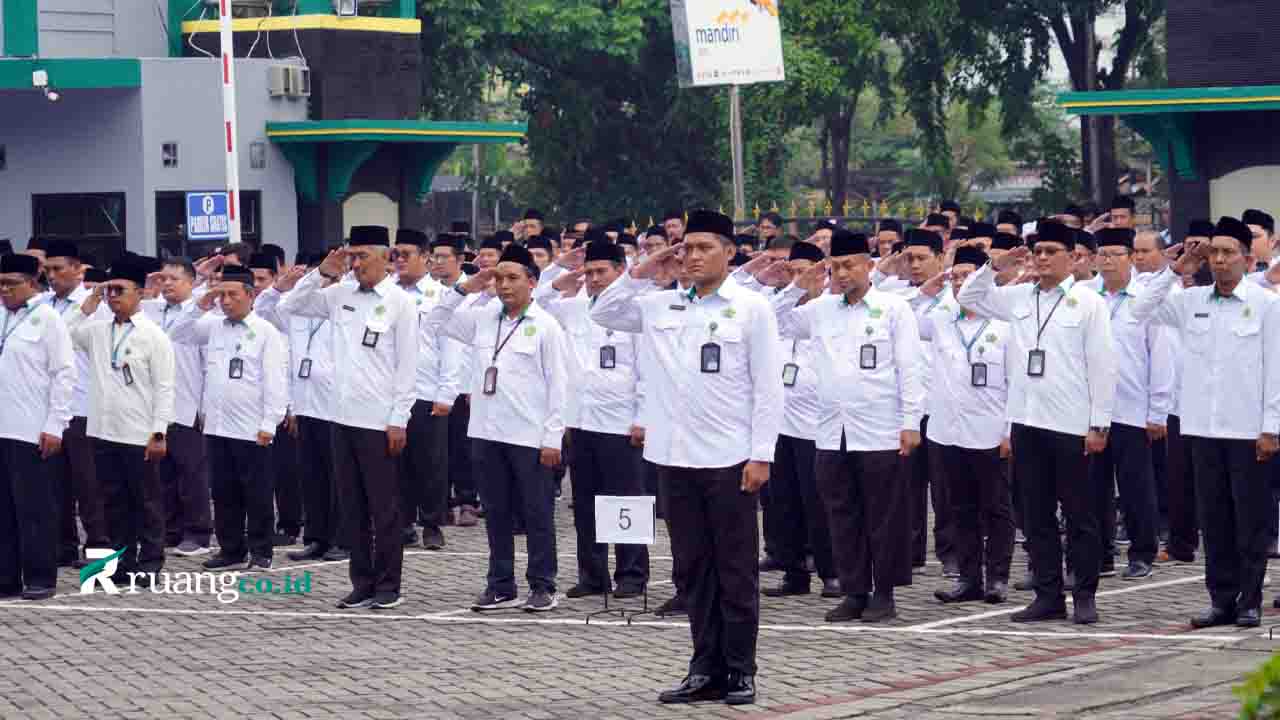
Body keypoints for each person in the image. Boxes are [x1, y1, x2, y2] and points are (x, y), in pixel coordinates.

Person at [592, 210, 782, 706]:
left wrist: (761, 455)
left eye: (704, 248)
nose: (692, 256)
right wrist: (646, 263)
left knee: (735, 569)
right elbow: (603, 311)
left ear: (730, 252)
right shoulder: (659, 306)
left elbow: (767, 389)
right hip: (673, 457)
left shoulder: (751, 308)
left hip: (730, 457)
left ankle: (740, 669)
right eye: (686, 248)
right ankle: (704, 668)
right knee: (691, 569)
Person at [957, 220, 1116, 625]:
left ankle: (1083, 593)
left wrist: (1099, 424)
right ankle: (1048, 594)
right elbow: (969, 295)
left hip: (1072, 423)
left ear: (1071, 257)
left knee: (1080, 514)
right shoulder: (1018, 298)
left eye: (1051, 251)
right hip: (1027, 421)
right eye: (1037, 251)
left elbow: (1102, 366)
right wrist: (995, 265)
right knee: (1036, 514)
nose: (1042, 258)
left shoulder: (1088, 302)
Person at [1129, 217, 1280, 629]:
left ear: (1248, 260)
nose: (1218, 259)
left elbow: (1275, 372)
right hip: (1202, 429)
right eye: (1213, 252)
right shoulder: (1189, 301)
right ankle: (1221, 599)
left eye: (1227, 252)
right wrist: (1177, 271)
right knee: (1213, 521)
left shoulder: (1267, 304)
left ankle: (1249, 600)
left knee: (1249, 521)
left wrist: (1271, 428)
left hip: (1248, 431)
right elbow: (1138, 309)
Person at [773, 229, 922, 624]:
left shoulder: (892, 309)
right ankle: (854, 590)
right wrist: (795, 287)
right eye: (835, 266)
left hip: (879, 428)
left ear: (869, 266)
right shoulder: (821, 308)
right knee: (842, 515)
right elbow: (774, 322)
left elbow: (910, 368)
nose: (841, 273)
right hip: (831, 430)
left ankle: (884, 593)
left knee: (883, 516)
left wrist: (910, 422)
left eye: (849, 265)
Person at [428, 244, 569, 613]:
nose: (504, 285)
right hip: (486, 432)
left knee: (537, 514)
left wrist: (552, 438)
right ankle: (501, 584)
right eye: (499, 278)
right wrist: (465, 288)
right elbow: (434, 321)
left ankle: (542, 584)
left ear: (532, 282)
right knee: (497, 513)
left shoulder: (546, 326)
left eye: (512, 278)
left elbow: (559, 386)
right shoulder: (484, 316)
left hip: (529, 435)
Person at [283, 226, 417, 610]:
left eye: (363, 257)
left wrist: (399, 419)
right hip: (340, 418)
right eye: (352, 257)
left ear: (385, 258)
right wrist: (322, 273)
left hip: (379, 421)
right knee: (352, 506)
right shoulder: (338, 294)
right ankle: (362, 582)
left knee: (384, 508)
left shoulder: (399, 302)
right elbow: (288, 307)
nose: (356, 265)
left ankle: (389, 584)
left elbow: (407, 366)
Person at [539, 239, 649, 599]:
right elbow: (537, 303)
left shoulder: (634, 312)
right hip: (581, 420)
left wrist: (642, 417)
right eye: (589, 272)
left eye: (602, 271)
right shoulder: (574, 308)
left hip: (620, 421)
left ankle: (631, 573)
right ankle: (592, 573)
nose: (595, 278)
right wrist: (559, 275)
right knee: (585, 502)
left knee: (626, 500)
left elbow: (647, 370)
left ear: (621, 271)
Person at [165, 265, 289, 571]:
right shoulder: (214, 326)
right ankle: (231, 549)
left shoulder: (266, 333)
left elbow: (276, 381)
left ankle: (261, 550)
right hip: (218, 425)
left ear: (250, 295)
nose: (226, 301)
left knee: (257, 493)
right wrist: (201, 303)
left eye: (233, 295)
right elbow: (177, 333)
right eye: (222, 295)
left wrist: (269, 423)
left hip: (252, 427)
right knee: (223, 493)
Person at [915, 247, 1015, 604]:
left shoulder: (1004, 323)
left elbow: (1016, 381)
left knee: (997, 508)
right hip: (948, 430)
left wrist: (1008, 431)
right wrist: (926, 289)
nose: (960, 282)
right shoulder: (942, 319)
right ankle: (969, 578)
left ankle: (998, 577)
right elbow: (904, 317)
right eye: (955, 276)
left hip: (990, 430)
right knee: (960, 508)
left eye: (966, 275)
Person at [69, 255, 177, 585]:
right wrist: (90, 300)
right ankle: (120, 562)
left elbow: (165, 386)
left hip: (139, 431)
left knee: (146, 501)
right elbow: (68, 333)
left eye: (120, 289)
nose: (113, 296)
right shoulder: (98, 331)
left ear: (140, 293)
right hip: (104, 430)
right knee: (113, 503)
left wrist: (159, 431)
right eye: (109, 290)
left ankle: (151, 561)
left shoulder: (153, 335)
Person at [751, 241, 839, 599]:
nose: (798, 279)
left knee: (818, 504)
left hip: (817, 425)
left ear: (822, 274)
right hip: (779, 424)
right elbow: (769, 314)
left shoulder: (829, 310)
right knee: (783, 504)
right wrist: (791, 287)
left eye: (806, 272)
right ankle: (793, 572)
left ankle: (832, 572)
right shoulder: (780, 311)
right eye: (792, 272)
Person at [1089, 228, 1173, 581]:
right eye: (1102, 254)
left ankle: (1142, 552)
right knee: (1093, 487)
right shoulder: (1084, 296)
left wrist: (1157, 412)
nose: (1107, 260)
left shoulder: (1147, 298)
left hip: (1132, 408)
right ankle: (1100, 553)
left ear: (1131, 258)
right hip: (1090, 410)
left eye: (1116, 254)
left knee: (1136, 485)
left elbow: (1162, 358)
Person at [0, 252, 75, 599]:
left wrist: (55, 424)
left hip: (32, 428)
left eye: (11, 284)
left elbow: (63, 374)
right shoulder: (0, 315)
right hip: (2, 426)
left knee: (34, 508)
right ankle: (6, 577)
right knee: (4, 509)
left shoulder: (47, 319)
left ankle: (40, 576)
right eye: (0, 284)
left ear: (32, 284)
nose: (4, 290)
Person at [39, 239, 109, 567]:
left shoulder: (97, 305)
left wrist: (82, 311)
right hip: (50, 408)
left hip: (84, 405)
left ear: (78, 270)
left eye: (58, 268)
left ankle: (98, 547)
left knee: (89, 484)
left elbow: (65, 340)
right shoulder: (41, 305)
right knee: (54, 485)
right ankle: (62, 545)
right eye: (48, 269)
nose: (52, 276)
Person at [392, 228, 461, 551]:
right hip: (391, 391)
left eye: (406, 254)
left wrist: (447, 393)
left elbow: (451, 346)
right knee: (396, 461)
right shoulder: (385, 293)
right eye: (396, 255)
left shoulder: (440, 295)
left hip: (426, 389)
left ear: (425, 257)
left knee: (431, 462)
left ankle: (432, 522)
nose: (400, 260)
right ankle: (403, 522)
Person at [277, 255, 348, 563]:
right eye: (323, 279)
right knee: (312, 475)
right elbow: (281, 305)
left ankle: (342, 539)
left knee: (339, 478)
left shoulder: (347, 306)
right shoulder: (302, 311)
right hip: (306, 404)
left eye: (333, 278)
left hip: (338, 406)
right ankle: (317, 537)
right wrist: (316, 275)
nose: (327, 284)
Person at [144, 258, 212, 556]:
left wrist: (205, 407)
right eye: (164, 278)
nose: (167, 283)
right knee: (164, 474)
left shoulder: (203, 315)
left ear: (191, 282)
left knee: (191, 473)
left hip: (187, 403)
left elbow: (208, 365)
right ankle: (171, 530)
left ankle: (197, 533)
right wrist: (148, 288)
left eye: (174, 279)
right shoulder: (153, 310)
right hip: (156, 405)